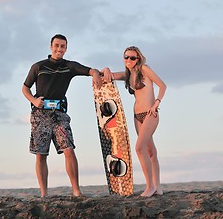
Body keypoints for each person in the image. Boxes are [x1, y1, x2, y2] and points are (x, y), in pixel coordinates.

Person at [22, 34, 102, 197]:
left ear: (66, 48)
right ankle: (44, 194)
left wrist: (96, 74)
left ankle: (76, 191)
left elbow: (90, 70)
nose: (59, 49)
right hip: (40, 115)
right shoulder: (38, 66)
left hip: (60, 115)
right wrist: (34, 100)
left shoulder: (69, 66)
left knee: (69, 150)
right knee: (41, 155)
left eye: (63, 46)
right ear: (51, 47)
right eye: (57, 45)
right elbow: (25, 87)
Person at [102, 46, 166, 197]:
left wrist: (157, 102)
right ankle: (157, 187)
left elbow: (162, 85)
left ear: (138, 59)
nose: (128, 60)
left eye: (132, 57)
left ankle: (150, 186)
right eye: (126, 57)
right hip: (137, 116)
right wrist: (105, 68)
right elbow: (108, 75)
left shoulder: (144, 69)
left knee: (139, 148)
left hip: (150, 114)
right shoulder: (128, 74)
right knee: (151, 151)